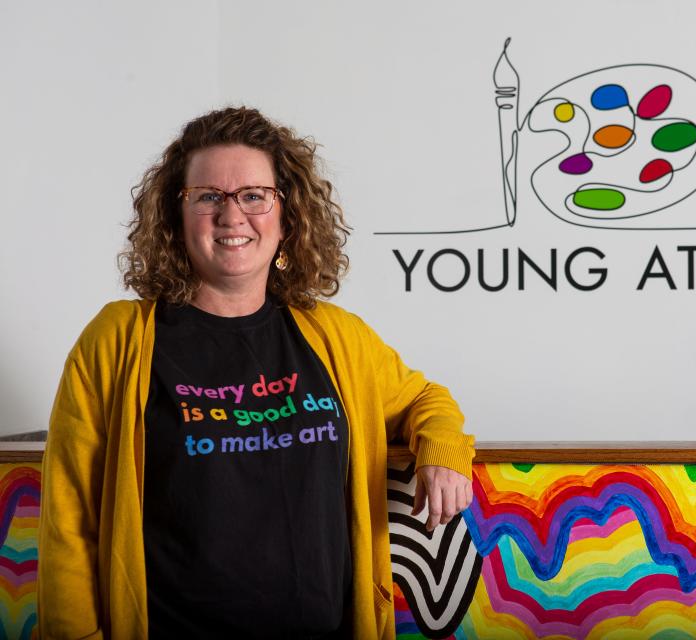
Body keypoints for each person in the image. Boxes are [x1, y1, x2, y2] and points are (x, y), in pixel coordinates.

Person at [37, 107, 475, 639]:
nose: (231, 215)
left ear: (287, 214)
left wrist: (444, 453)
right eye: (208, 196)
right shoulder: (117, 340)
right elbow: (69, 517)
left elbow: (424, 399)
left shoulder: (334, 335)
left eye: (253, 195)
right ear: (176, 216)